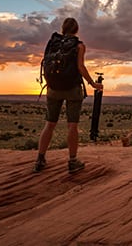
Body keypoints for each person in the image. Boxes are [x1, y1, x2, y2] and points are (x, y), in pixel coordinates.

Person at [33, 17, 103, 174]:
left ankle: (40, 159)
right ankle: (72, 161)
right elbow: (80, 67)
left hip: (53, 88)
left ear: (63, 29)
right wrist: (92, 83)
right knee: (72, 125)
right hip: (72, 89)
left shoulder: (53, 43)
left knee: (50, 124)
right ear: (76, 30)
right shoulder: (79, 46)